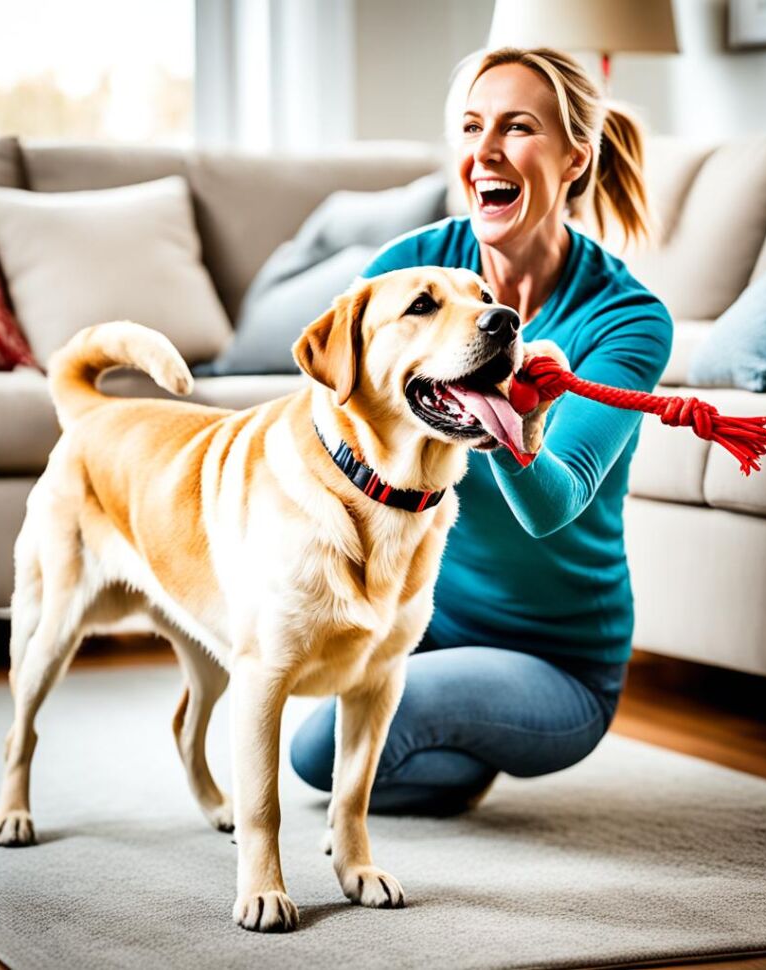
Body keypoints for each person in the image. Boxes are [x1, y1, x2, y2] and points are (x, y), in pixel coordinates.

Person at [289, 47, 674, 815]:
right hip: (426, 622)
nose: (484, 151)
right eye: (470, 126)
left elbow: (552, 503)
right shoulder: (417, 269)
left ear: (574, 159)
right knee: (310, 753)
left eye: (517, 127)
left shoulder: (627, 320)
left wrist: (519, 424)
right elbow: (337, 418)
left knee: (333, 751)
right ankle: (465, 738)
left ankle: (481, 724)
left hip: (555, 665)